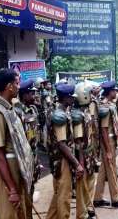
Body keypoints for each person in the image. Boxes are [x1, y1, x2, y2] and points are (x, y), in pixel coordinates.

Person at [0, 69, 34, 219]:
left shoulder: (9, 109)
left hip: (16, 170)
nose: (19, 87)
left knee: (20, 212)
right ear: (9, 86)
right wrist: (11, 189)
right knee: (8, 214)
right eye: (17, 83)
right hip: (6, 172)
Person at [46, 83, 84, 219]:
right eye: (71, 97)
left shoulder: (62, 112)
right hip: (62, 160)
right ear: (65, 98)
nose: (73, 99)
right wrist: (76, 164)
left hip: (61, 158)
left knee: (59, 194)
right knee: (64, 196)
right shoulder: (59, 115)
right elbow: (62, 144)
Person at [93, 81, 118, 208]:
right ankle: (115, 199)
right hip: (109, 142)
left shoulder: (110, 104)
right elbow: (104, 130)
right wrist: (107, 150)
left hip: (111, 140)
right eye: (114, 90)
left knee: (104, 169)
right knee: (112, 170)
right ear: (110, 92)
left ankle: (97, 198)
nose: (116, 92)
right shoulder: (105, 107)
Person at [14, 79, 41, 219]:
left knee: (30, 193)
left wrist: (36, 162)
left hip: (32, 157)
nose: (34, 96)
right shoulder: (16, 112)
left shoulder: (33, 109)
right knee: (22, 197)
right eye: (31, 93)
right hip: (22, 160)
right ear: (24, 95)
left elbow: (34, 137)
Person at [73, 82, 100, 218]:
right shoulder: (78, 115)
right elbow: (78, 142)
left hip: (89, 152)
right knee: (81, 186)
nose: (92, 96)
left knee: (90, 180)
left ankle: (89, 207)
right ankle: (81, 214)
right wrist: (81, 162)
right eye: (89, 93)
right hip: (82, 155)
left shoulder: (86, 112)